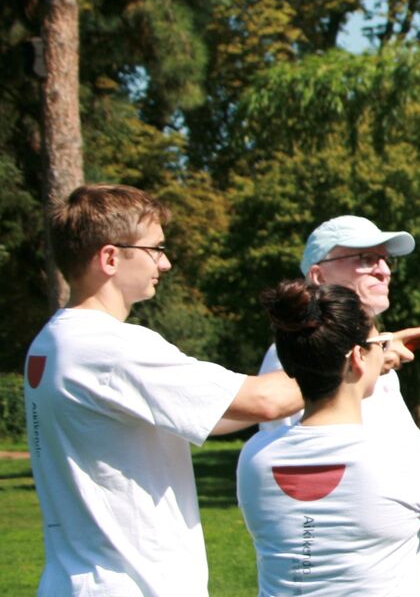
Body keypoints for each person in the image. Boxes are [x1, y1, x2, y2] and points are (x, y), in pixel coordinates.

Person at [23, 184, 303, 596]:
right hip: (133, 585)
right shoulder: (111, 347)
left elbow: (214, 414)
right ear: (111, 257)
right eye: (156, 249)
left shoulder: (52, 342)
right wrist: (351, 357)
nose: (166, 263)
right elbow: (266, 401)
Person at [238, 280, 420, 596]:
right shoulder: (398, 453)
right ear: (357, 358)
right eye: (379, 343)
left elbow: (360, 517)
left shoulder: (256, 457)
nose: (385, 351)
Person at [258, 215, 420, 469]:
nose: (384, 271)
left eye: (385, 259)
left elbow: (400, 459)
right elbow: (320, 470)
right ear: (319, 276)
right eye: (365, 259)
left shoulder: (378, 356)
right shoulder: (300, 350)